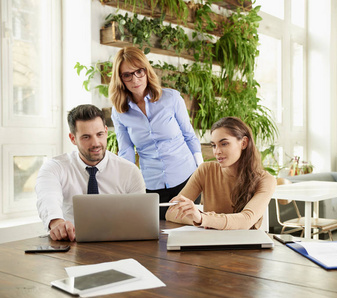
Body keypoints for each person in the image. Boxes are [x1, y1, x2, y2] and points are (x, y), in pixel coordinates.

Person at [109, 47, 203, 220]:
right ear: (120, 79)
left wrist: (202, 174)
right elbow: (126, 151)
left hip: (187, 179)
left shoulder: (172, 98)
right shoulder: (119, 112)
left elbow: (189, 136)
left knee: (187, 229)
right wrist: (125, 185)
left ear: (146, 70)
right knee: (157, 235)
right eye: (127, 75)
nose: (135, 79)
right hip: (152, 185)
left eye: (139, 71)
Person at [35, 104, 146, 241]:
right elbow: (48, 198)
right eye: (86, 137)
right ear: (72, 138)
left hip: (119, 244)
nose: (96, 143)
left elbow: (140, 219)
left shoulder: (129, 171)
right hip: (70, 243)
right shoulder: (54, 168)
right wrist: (56, 222)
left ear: (106, 131)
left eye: (99, 134)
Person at [166, 117, 276, 230]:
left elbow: (246, 220)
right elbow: (171, 213)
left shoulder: (265, 180)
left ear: (243, 143)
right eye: (214, 145)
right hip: (209, 242)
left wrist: (203, 219)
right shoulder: (205, 170)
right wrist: (199, 218)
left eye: (224, 144)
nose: (217, 151)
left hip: (246, 245)